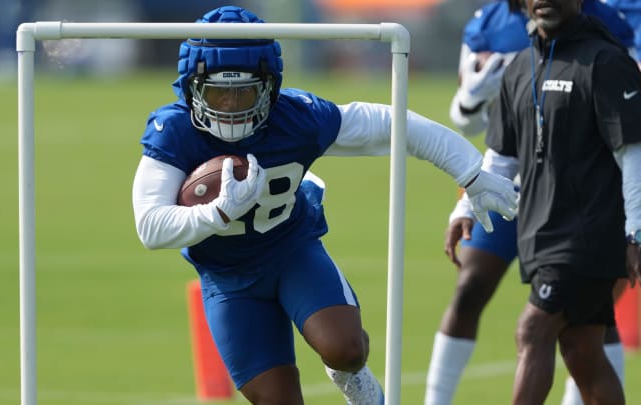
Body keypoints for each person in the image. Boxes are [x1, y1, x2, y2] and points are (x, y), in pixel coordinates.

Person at [130, 5, 519, 405]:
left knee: (346, 348)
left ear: (268, 87)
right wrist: (219, 211)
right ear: (193, 87)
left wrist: (471, 173)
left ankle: (355, 381)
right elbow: (150, 226)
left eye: (243, 92)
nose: (229, 106)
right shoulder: (174, 130)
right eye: (217, 93)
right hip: (227, 279)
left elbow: (395, 124)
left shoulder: (298, 118)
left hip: (290, 251)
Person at [424, 1, 635, 404]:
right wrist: (467, 206)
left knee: (542, 329)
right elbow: (487, 141)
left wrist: (635, 227)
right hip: (527, 207)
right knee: (579, 346)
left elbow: (631, 142)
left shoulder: (606, 45)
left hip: (590, 217)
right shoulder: (505, 45)